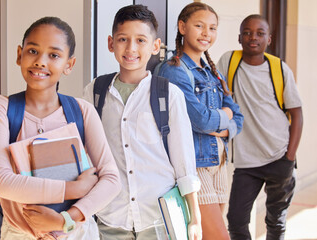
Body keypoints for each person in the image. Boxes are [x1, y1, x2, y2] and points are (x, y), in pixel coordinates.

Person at [0, 16, 121, 240]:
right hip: (20, 235)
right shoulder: (1, 109)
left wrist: (66, 219)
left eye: (54, 55)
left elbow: (112, 180)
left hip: (76, 232)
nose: (40, 61)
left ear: (69, 65)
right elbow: (2, 182)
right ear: (19, 54)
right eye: (33, 51)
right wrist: (73, 189)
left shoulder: (82, 111)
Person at [83, 5, 202, 240]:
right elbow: (87, 156)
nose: (131, 48)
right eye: (123, 39)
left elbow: (184, 160)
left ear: (155, 46)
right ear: (110, 43)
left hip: (159, 220)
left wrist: (195, 218)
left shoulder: (169, 94)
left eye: (140, 40)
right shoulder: (95, 92)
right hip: (109, 218)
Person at [157, 2, 244, 240]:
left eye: (213, 28)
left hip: (219, 163)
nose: (207, 33)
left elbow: (239, 117)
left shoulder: (212, 71)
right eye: (199, 26)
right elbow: (202, 121)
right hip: (196, 164)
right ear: (182, 27)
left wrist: (226, 130)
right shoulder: (174, 70)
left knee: (210, 235)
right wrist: (224, 117)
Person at [217, 14, 303, 240]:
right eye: (247, 32)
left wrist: (289, 157)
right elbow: (212, 88)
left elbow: (297, 113)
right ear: (239, 37)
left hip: (278, 156)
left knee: (276, 221)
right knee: (236, 221)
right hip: (247, 163)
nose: (252, 37)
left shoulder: (279, 69)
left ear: (270, 39)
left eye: (259, 33)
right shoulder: (229, 61)